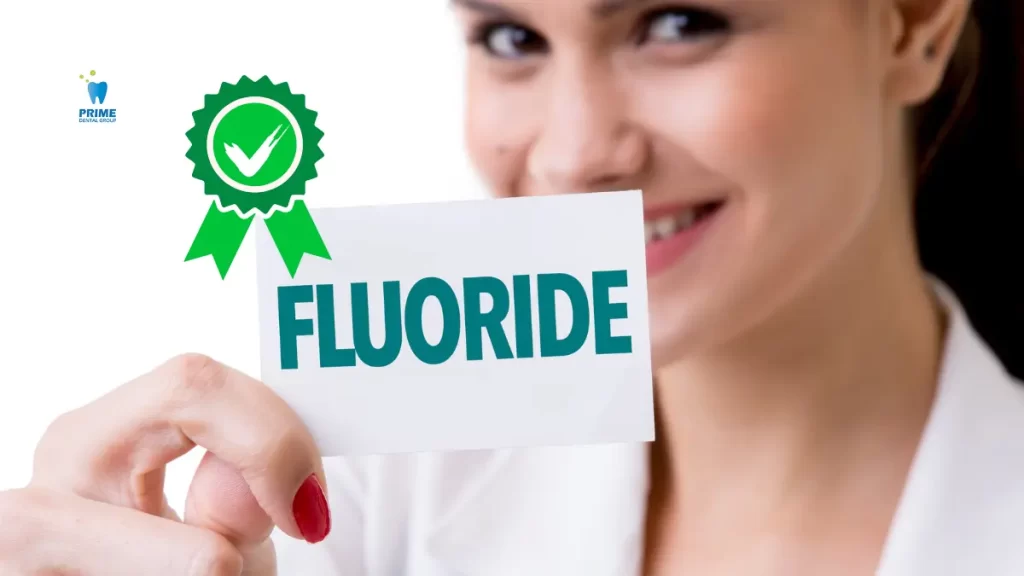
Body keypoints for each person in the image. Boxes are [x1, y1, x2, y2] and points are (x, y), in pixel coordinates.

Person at [1, 0, 1021, 573]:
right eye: (511, 39)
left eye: (677, 23)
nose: (574, 155)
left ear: (912, 25)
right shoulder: (346, 499)